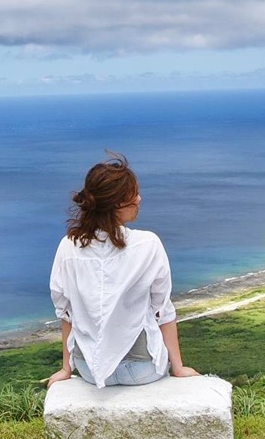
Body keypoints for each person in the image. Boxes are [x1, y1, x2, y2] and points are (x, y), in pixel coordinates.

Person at [45, 153, 200, 388]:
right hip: (142, 370)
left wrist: (67, 369)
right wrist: (178, 367)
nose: (139, 199)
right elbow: (163, 310)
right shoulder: (148, 244)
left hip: (89, 369)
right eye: (132, 195)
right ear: (117, 203)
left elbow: (65, 312)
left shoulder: (68, 246)